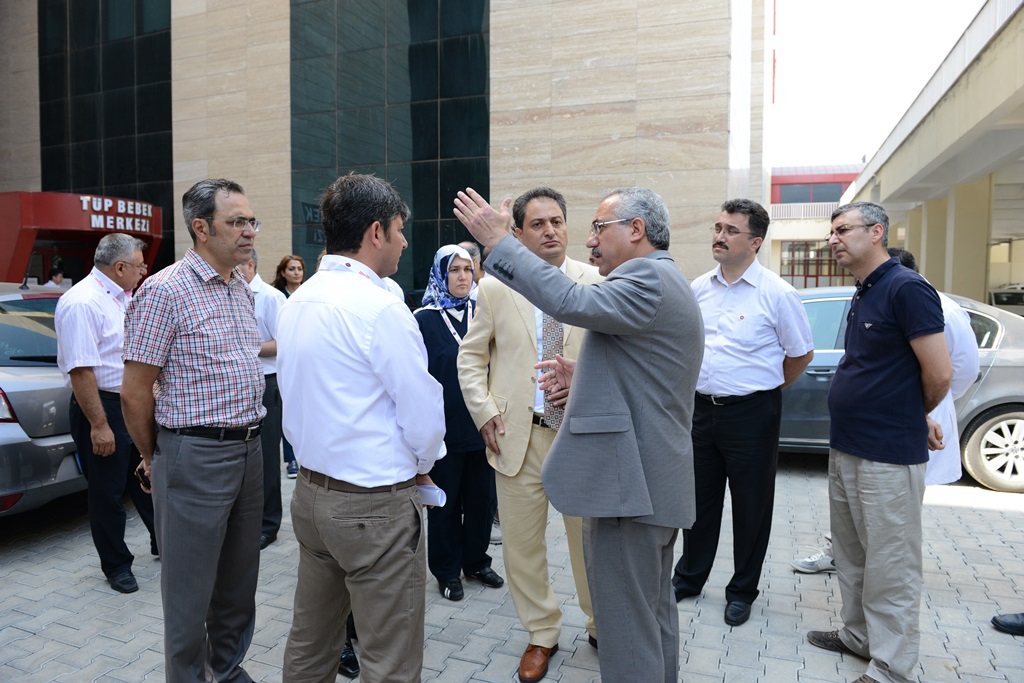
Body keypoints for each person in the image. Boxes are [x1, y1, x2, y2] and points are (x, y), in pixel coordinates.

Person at [454, 186, 703, 683]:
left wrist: (499, 244)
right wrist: (581, 373)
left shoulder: (645, 278)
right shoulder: (659, 277)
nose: (589, 240)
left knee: (627, 629)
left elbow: (568, 300)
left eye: (598, 228)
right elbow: (640, 371)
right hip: (637, 478)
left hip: (631, 487)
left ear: (636, 230)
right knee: (649, 617)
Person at [277, 173, 446, 683]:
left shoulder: (299, 299)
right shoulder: (381, 308)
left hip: (312, 496)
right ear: (376, 232)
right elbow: (423, 414)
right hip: (374, 506)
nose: (404, 241)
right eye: (399, 229)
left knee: (311, 641)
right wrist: (423, 465)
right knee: (390, 658)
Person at [122, 178, 266, 683]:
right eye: (237, 222)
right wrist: (154, 455)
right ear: (201, 228)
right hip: (194, 454)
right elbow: (135, 391)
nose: (249, 231)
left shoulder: (239, 286)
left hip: (250, 450)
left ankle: (225, 670)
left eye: (251, 221)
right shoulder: (164, 291)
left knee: (238, 585)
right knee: (189, 592)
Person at [457, 187, 601, 682]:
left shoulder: (596, 281)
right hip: (518, 437)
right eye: (537, 224)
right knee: (521, 547)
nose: (550, 231)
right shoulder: (496, 288)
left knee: (591, 543)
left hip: (580, 438)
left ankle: (601, 623)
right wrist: (484, 412)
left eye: (556, 221)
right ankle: (542, 632)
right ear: (517, 234)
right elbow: (471, 358)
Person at [805, 202, 952, 683]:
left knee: (891, 564)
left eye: (842, 230)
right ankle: (859, 637)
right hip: (847, 445)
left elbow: (939, 372)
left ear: (876, 232)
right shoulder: (864, 289)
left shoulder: (906, 288)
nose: (833, 239)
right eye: (831, 232)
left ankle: (891, 667)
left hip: (887, 454)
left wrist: (914, 414)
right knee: (851, 555)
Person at [791, 246, 979, 576]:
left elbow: (955, 370)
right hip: (869, 433)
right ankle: (850, 568)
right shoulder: (865, 295)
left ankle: (881, 585)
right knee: (866, 523)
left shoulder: (927, 301)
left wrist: (920, 410)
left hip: (901, 427)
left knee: (892, 530)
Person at [671, 199, 814, 625]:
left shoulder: (778, 293)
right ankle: (689, 577)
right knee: (698, 501)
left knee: (752, 506)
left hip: (753, 414)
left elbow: (800, 355)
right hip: (701, 410)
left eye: (731, 230)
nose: (719, 236)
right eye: (718, 228)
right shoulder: (698, 288)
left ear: (755, 242)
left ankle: (742, 590)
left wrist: (762, 390)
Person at [54, 233, 156, 593]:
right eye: (140, 266)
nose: (144, 271)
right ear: (120, 267)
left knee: (145, 478)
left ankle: (162, 540)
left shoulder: (123, 296)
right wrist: (99, 425)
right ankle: (116, 565)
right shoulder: (82, 302)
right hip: (102, 406)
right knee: (108, 493)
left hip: (131, 402)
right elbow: (81, 371)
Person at [415, 244, 503, 602]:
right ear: (441, 274)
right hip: (444, 431)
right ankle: (447, 570)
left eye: (468, 269)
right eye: (454, 270)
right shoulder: (423, 320)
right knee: (446, 507)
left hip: (482, 427)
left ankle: (476, 562)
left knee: (482, 502)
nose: (463, 276)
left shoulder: (483, 311)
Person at [239, 248, 287, 551]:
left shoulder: (270, 297)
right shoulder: (233, 293)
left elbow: (284, 342)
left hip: (267, 384)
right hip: (240, 382)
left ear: (250, 264)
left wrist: (245, 346)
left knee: (268, 456)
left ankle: (269, 524)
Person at [273, 254, 306, 478]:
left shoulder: (309, 294)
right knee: (289, 408)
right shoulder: (278, 297)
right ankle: (291, 458)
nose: (296, 273)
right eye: (292, 269)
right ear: (283, 272)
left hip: (306, 357)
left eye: (299, 269)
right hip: (284, 359)